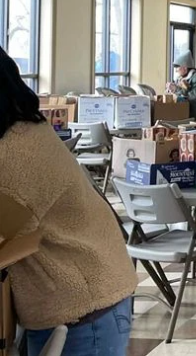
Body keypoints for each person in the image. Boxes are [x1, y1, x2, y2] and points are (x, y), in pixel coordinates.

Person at [0, 46, 138, 356]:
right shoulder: (23, 131)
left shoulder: (16, 152)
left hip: (84, 309)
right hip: (73, 300)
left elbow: (5, 234)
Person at [166, 51, 196, 120]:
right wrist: (170, 90)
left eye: (178, 67)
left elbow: (193, 97)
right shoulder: (180, 78)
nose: (176, 70)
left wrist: (177, 89)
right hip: (190, 116)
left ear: (185, 68)